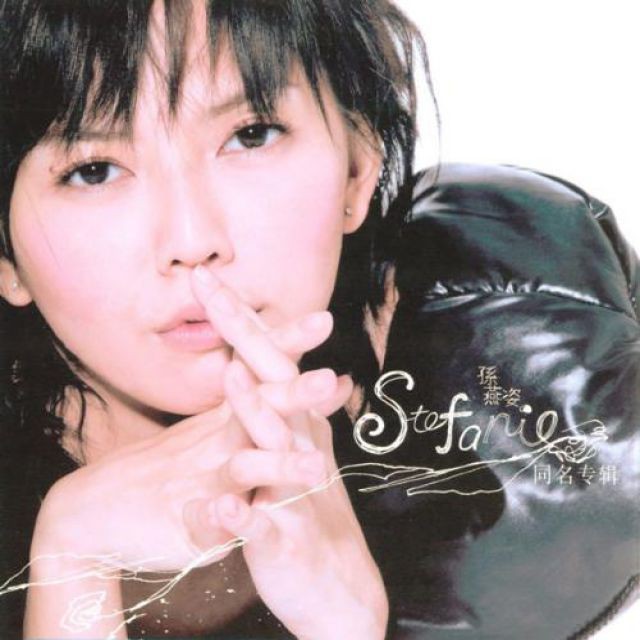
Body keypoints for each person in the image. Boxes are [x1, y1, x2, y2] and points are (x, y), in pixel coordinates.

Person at [0, 0, 434, 637]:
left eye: (251, 135)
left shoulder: (470, 433)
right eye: (94, 171)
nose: (192, 239)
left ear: (356, 171)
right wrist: (72, 558)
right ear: (6, 257)